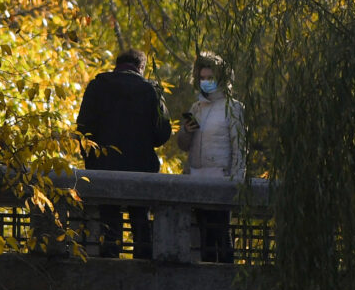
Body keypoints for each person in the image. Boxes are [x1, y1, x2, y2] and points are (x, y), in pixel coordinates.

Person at [75, 48, 172, 257]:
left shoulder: (97, 86)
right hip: (141, 170)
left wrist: (92, 159)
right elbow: (163, 133)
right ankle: (144, 266)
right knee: (140, 221)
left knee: (108, 221)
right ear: (141, 67)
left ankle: (109, 263)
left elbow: (82, 130)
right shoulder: (151, 91)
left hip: (103, 169)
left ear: (117, 65)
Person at [176, 51, 245, 263]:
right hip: (197, 175)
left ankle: (226, 281)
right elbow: (183, 145)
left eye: (210, 78)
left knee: (222, 234)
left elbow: (240, 146)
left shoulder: (232, 108)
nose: (206, 82)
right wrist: (186, 131)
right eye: (202, 78)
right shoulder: (196, 108)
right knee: (203, 236)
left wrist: (236, 180)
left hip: (220, 178)